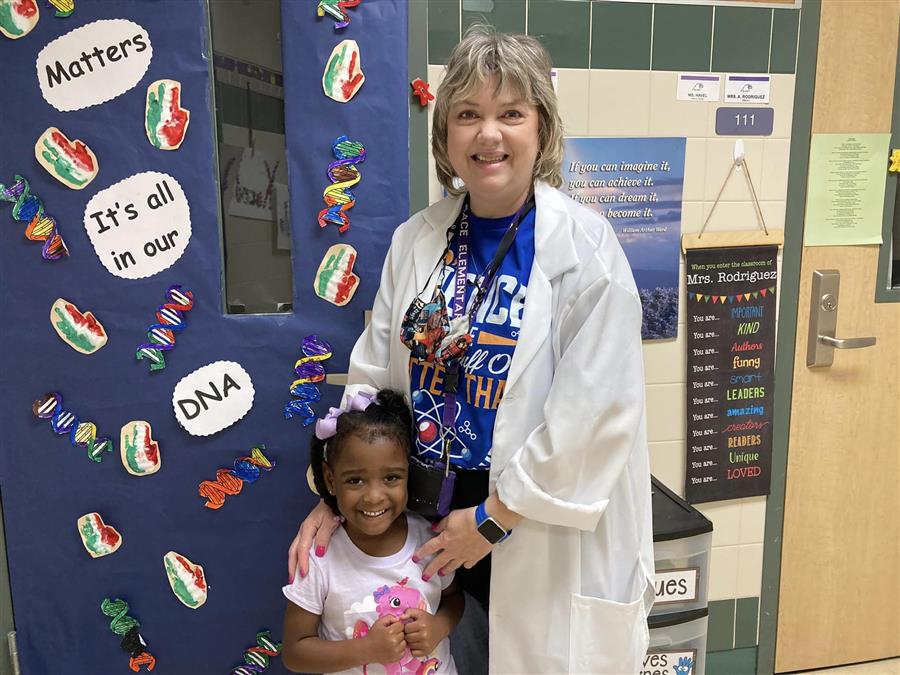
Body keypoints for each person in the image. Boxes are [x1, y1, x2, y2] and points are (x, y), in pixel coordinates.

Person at [289, 25, 655, 674]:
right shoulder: (417, 241)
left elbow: (594, 416)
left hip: (531, 524)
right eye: (468, 115)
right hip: (427, 523)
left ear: (540, 129)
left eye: (511, 113)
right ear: (445, 137)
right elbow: (375, 376)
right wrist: (332, 489)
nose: (489, 134)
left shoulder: (586, 250)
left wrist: (490, 519)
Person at [282, 388, 463, 674]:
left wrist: (439, 626)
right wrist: (366, 650)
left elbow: (453, 598)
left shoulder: (429, 540)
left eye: (391, 477)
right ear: (330, 479)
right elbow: (295, 651)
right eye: (355, 481)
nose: (374, 497)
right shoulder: (319, 555)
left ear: (408, 474)